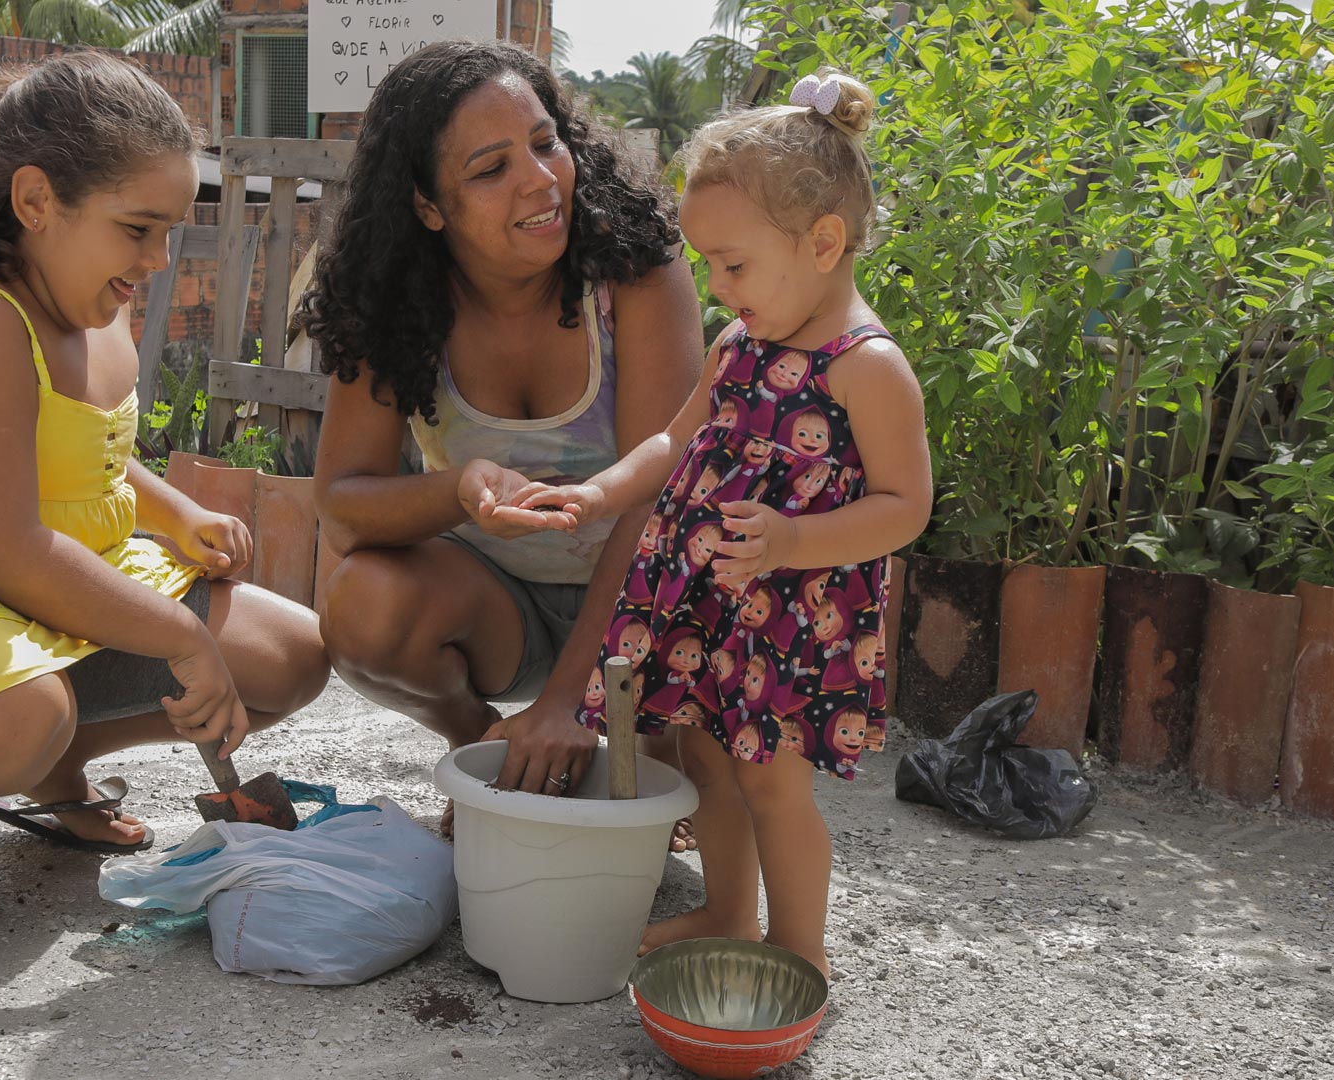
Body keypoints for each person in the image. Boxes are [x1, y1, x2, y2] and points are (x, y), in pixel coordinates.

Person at [0, 53, 329, 933]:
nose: (159, 258)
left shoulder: (95, 303)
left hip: (54, 583)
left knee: (295, 655)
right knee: (14, 720)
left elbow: (90, 457)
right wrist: (182, 636)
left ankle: (56, 763)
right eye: (138, 229)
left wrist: (175, 511)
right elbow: (0, 548)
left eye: (171, 230)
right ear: (38, 202)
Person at [528, 70, 933, 976]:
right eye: (707, 262)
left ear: (824, 242)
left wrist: (795, 542)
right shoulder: (740, 344)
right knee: (705, 757)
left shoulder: (866, 367)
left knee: (773, 784)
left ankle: (800, 953)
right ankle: (725, 910)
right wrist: (599, 495)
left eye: (734, 264)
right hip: (711, 602)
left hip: (795, 620)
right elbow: (674, 441)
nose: (716, 284)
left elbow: (906, 508)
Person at [297, 41, 703, 832]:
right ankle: (484, 744)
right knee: (364, 605)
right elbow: (342, 506)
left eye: (546, 143)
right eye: (490, 170)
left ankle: (602, 736)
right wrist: (458, 488)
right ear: (426, 204)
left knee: (666, 791)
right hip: (500, 606)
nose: (541, 180)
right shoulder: (394, 304)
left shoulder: (635, 272)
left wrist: (566, 701)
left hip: (653, 600)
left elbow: (658, 504)